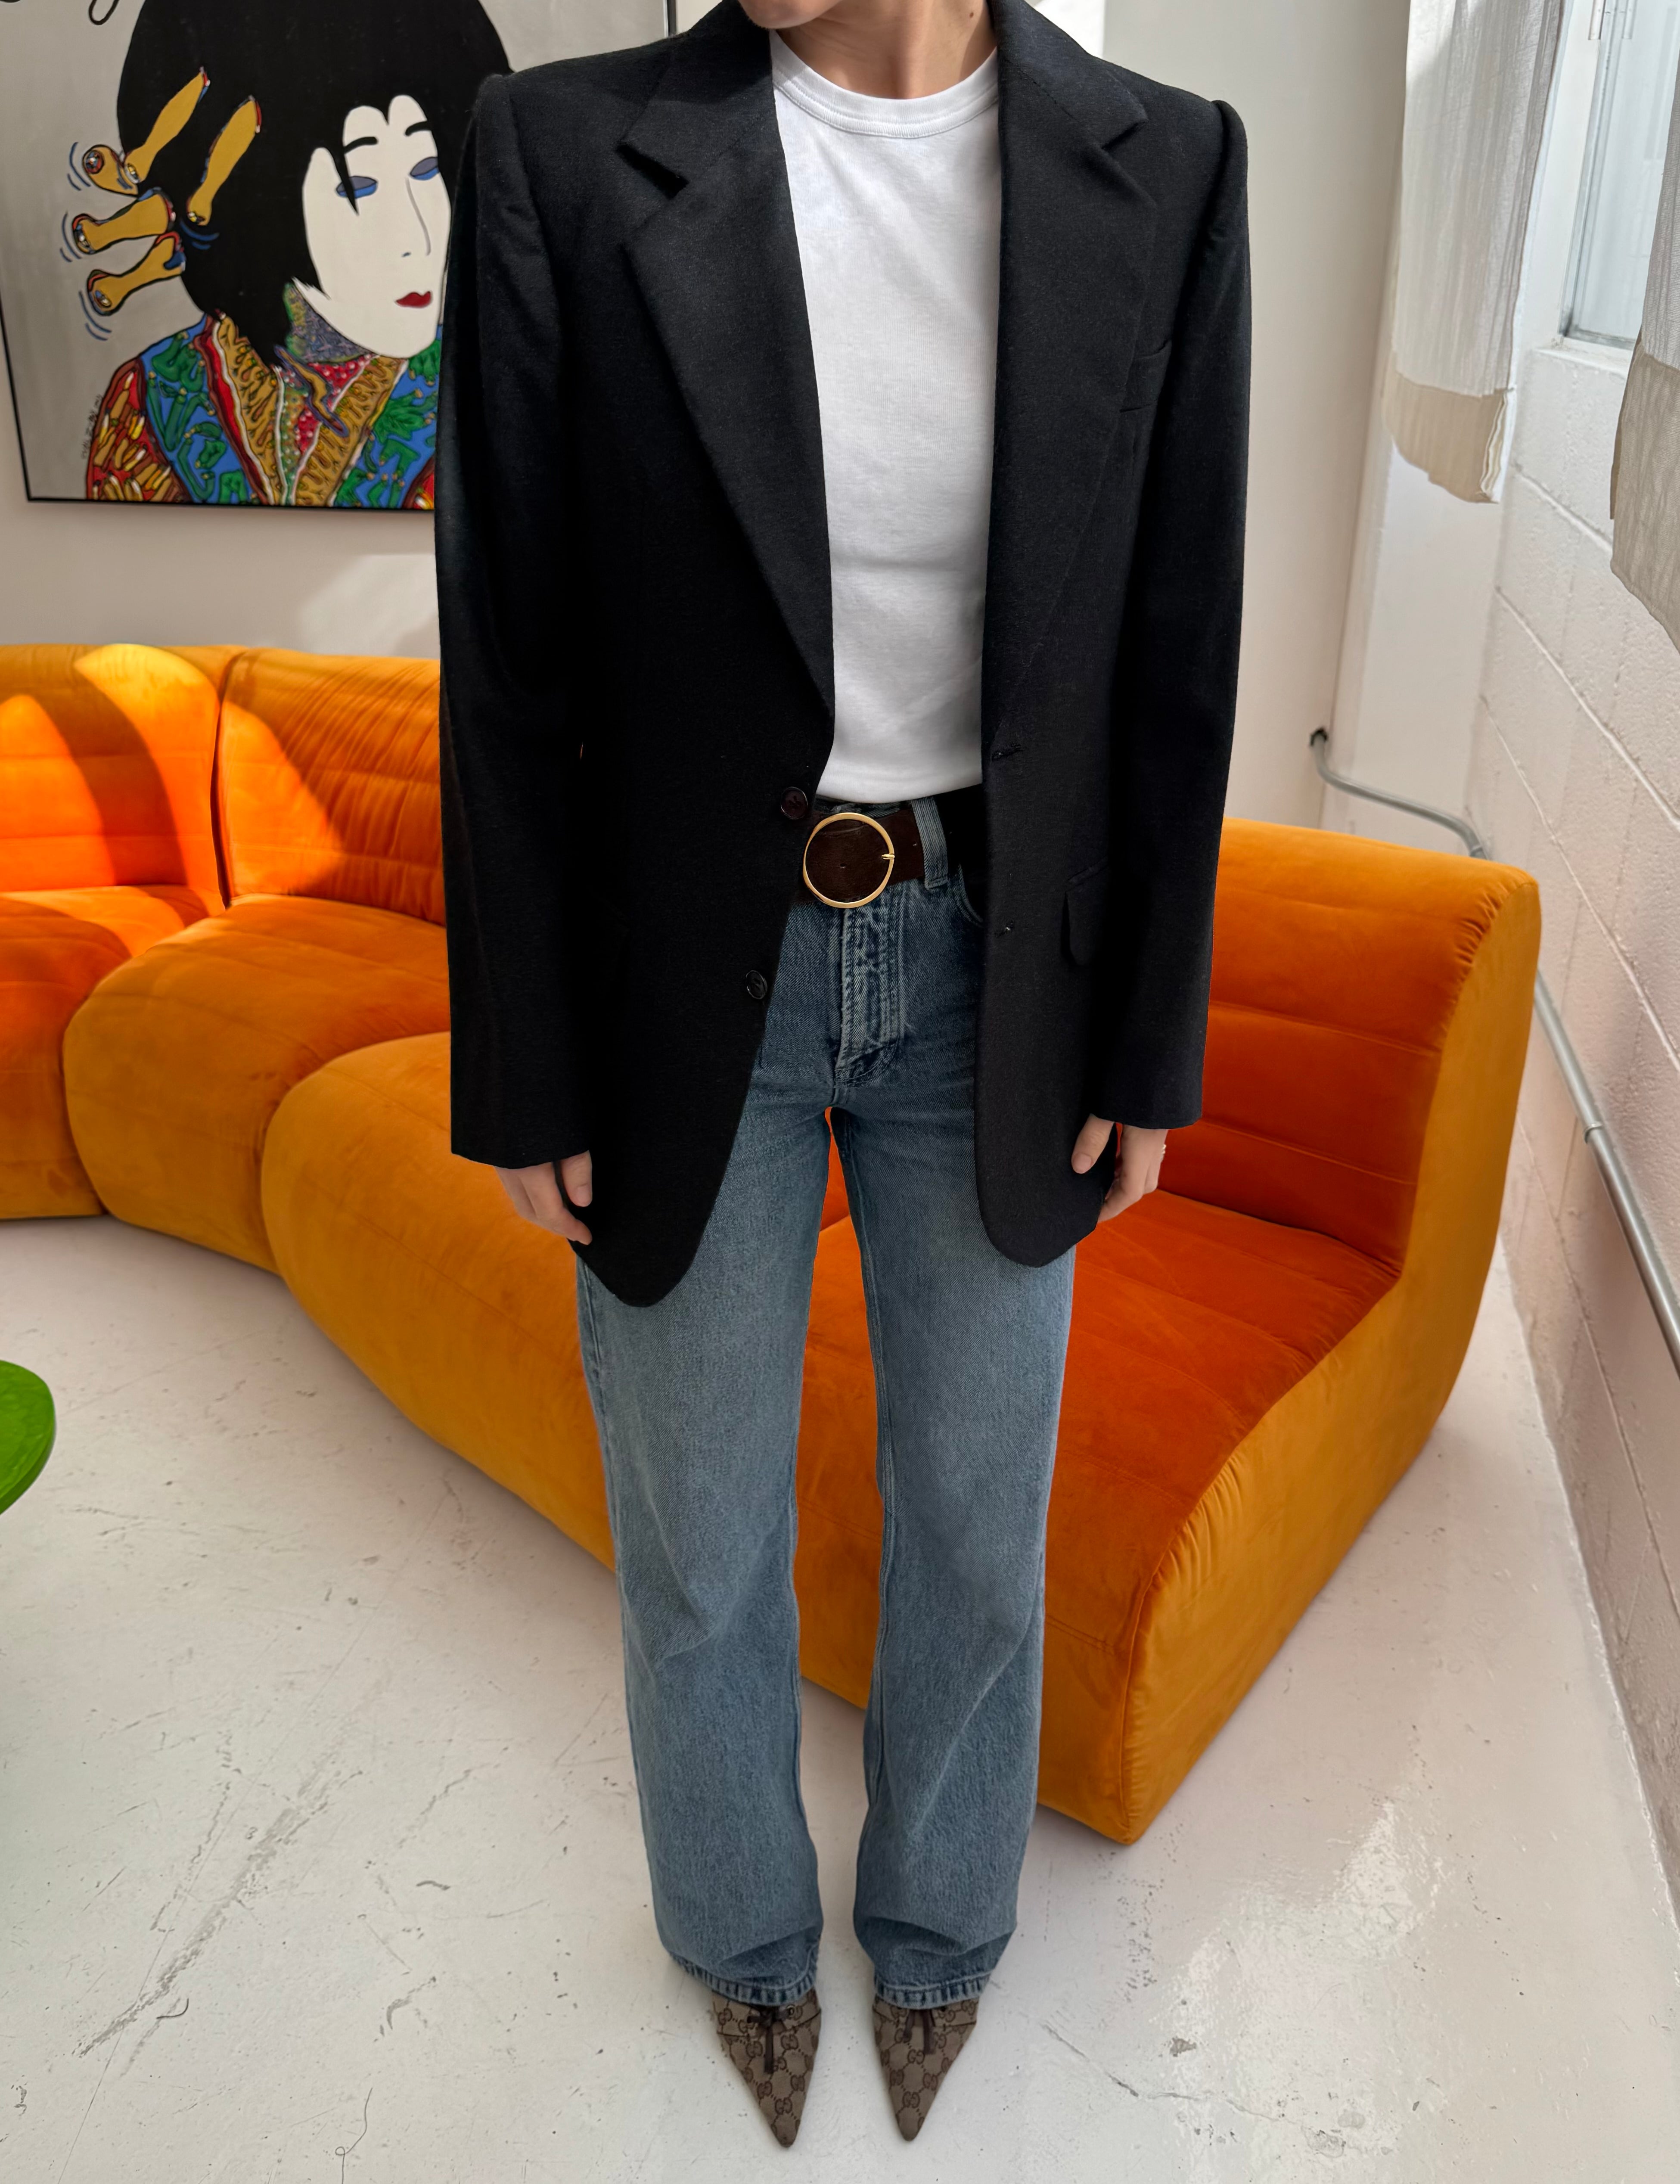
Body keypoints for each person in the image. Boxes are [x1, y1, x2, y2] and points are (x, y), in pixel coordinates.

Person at [435, 0, 1248, 2147]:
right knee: (698, 1533)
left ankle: (944, 1931)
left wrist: (1147, 1031)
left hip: (999, 972)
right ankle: (741, 1939)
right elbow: (504, 657)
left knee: (979, 1516)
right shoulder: (564, 157)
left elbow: (1179, 649)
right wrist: (525, 1061)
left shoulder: (1168, 166)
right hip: (683, 971)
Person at [80, 0, 506, 505]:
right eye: (361, 185)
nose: (419, 238)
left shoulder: (491, 393)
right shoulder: (151, 402)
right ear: (253, 192)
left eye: (426, 168)